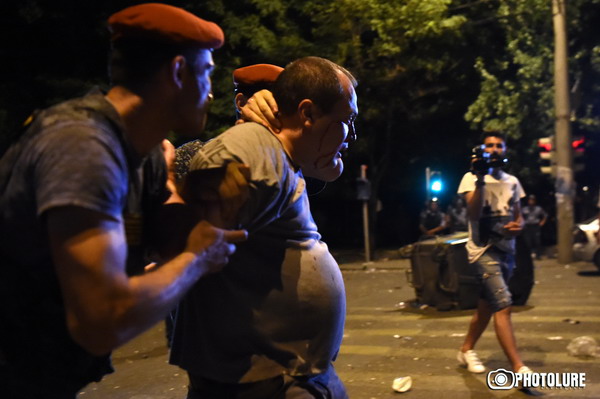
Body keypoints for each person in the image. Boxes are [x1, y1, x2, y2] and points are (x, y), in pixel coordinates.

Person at [0, 4, 248, 397]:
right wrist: (197, 259)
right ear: (178, 72)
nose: (212, 91)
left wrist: (201, 211)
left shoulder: (142, 151)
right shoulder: (82, 147)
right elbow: (102, 321)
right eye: (207, 74)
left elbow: (167, 224)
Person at [170, 56, 358, 399]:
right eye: (346, 120)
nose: (351, 134)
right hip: (264, 381)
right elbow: (190, 238)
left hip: (288, 374)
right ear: (306, 113)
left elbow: (330, 169)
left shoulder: (286, 157)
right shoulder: (253, 148)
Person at [455, 132, 532, 377]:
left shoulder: (513, 181)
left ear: (505, 150)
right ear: (483, 150)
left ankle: (466, 350)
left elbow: (519, 216)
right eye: (490, 145)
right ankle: (519, 368)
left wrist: (519, 226)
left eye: (499, 145)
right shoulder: (471, 178)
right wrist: (480, 180)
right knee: (503, 305)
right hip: (482, 252)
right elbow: (474, 215)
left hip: (507, 252)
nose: (495, 149)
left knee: (486, 307)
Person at [175, 63, 284, 182]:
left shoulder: (292, 158)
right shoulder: (193, 155)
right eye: (268, 104)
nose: (277, 113)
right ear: (241, 103)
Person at [521, 194, 547, 259]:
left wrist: (542, 222)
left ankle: (538, 255)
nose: (531, 201)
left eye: (532, 200)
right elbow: (520, 216)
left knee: (537, 241)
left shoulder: (538, 209)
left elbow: (545, 215)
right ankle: (528, 256)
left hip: (535, 226)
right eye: (530, 200)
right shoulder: (525, 209)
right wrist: (522, 223)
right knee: (528, 242)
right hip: (527, 226)